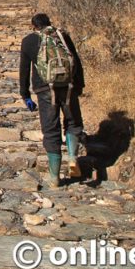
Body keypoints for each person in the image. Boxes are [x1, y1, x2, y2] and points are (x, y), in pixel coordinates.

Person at [19, 12, 85, 188]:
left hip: (44, 89)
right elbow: (76, 60)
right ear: (50, 23)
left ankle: (54, 177)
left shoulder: (29, 41)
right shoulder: (62, 36)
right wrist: (79, 86)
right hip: (68, 87)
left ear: (34, 26)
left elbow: (24, 70)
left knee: (50, 129)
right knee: (73, 123)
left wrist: (25, 95)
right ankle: (72, 157)